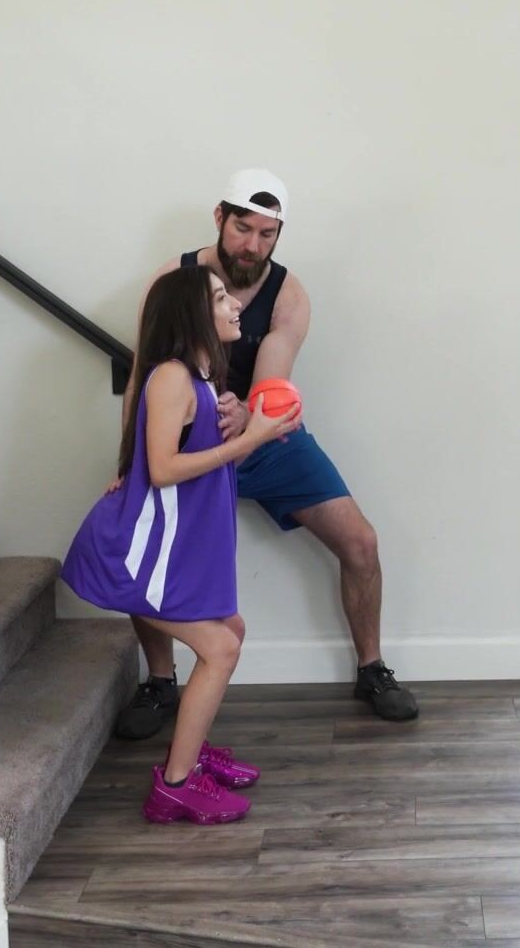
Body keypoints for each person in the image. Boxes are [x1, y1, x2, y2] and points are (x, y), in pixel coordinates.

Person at [112, 168, 421, 738]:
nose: (251, 246)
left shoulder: (289, 294)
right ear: (219, 217)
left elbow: (270, 388)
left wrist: (248, 418)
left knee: (361, 543)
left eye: (266, 234)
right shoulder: (173, 281)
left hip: (263, 436)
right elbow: (141, 377)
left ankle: (371, 669)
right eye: (242, 229)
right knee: (142, 545)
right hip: (185, 442)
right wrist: (129, 464)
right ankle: (159, 681)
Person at [62, 264, 301, 825]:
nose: (235, 305)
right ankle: (174, 786)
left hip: (169, 550)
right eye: (220, 298)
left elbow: (207, 461)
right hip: (139, 553)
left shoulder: (201, 379)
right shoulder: (171, 376)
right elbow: (165, 469)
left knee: (230, 633)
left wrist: (255, 431)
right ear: (191, 313)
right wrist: (250, 438)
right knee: (221, 649)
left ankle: (190, 753)